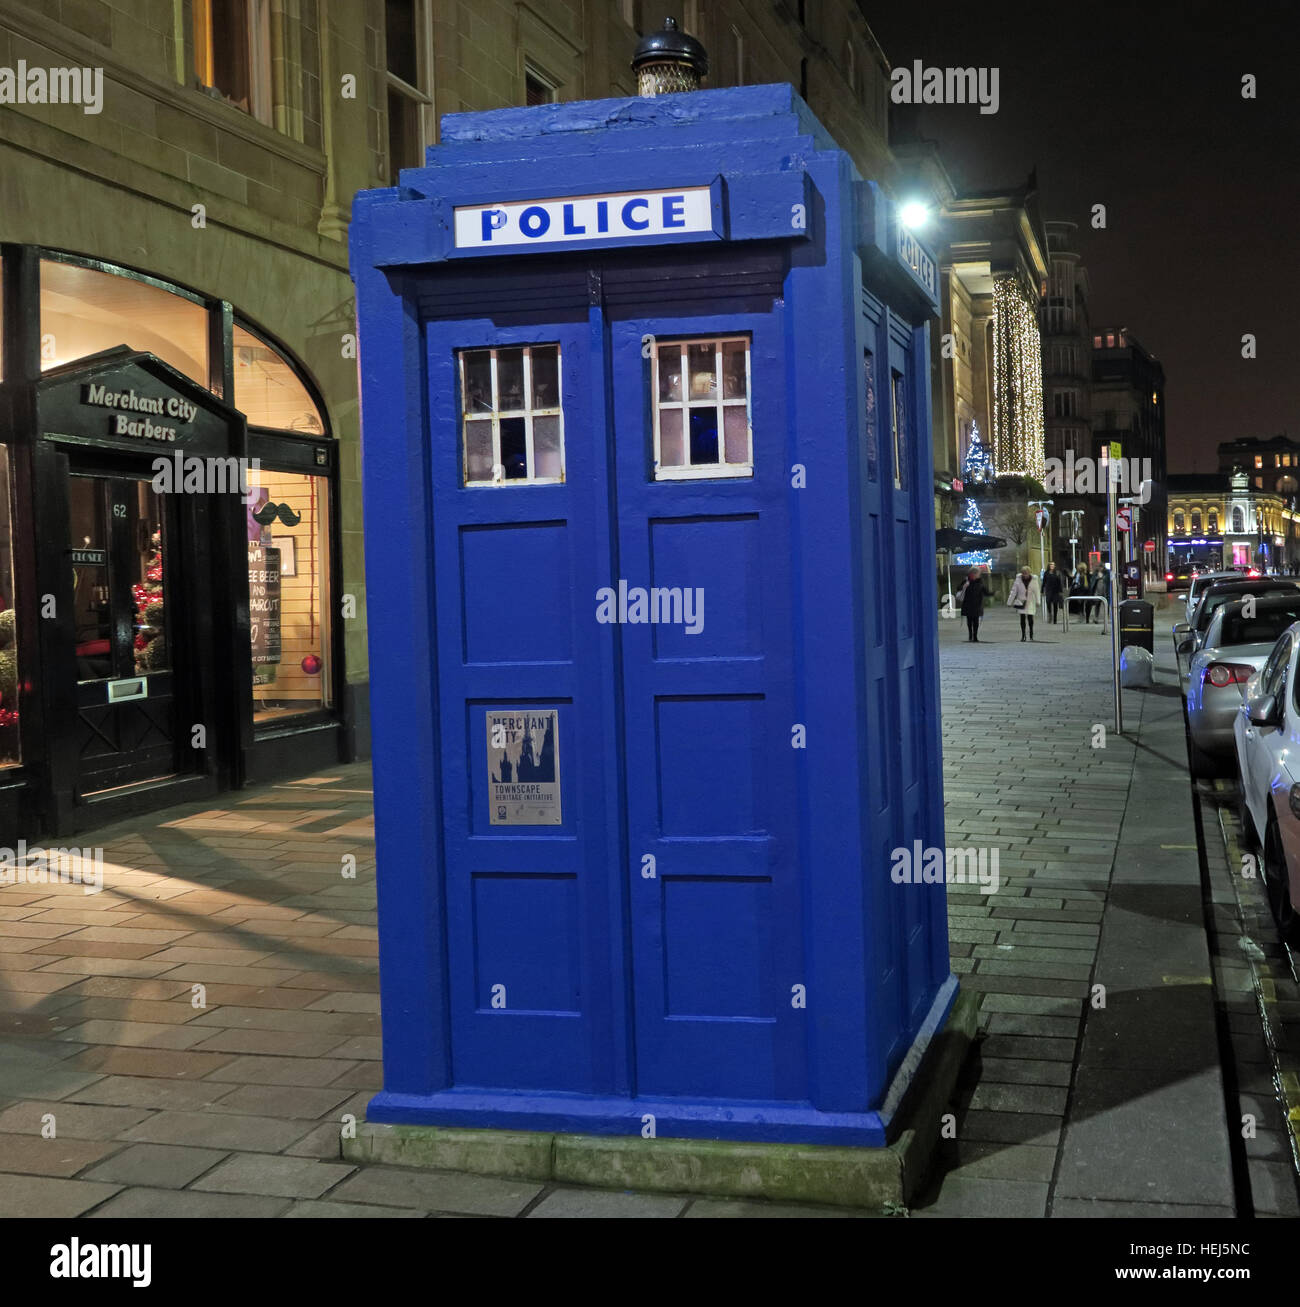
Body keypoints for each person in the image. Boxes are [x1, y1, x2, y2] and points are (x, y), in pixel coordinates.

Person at [1007, 566, 1041, 641]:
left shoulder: (1034, 579)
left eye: (1026, 573)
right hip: (1021, 601)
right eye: (1023, 573)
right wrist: (1009, 601)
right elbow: (1013, 591)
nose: (1025, 575)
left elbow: (1037, 591)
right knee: (1022, 618)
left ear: (1029, 573)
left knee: (1030, 618)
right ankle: (1023, 635)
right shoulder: (1018, 580)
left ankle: (1031, 634)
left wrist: (1038, 601)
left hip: (1030, 601)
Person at [956, 567, 987, 642]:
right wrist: (963, 587)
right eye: (978, 573)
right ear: (973, 574)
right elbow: (958, 588)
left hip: (977, 604)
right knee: (969, 620)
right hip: (968, 604)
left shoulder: (980, 582)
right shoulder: (966, 581)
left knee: (976, 621)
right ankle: (970, 634)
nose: (979, 575)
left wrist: (992, 593)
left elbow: (985, 591)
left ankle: (975, 636)